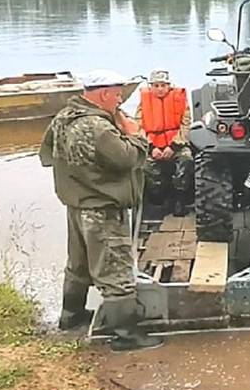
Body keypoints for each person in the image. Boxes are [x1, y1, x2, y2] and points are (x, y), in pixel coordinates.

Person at [39, 68, 164, 352]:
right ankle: (125, 335)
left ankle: (71, 317)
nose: (120, 100)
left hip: (76, 206)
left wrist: (81, 174)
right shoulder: (99, 128)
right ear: (104, 94)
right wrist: (134, 135)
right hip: (103, 210)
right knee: (116, 272)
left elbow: (46, 156)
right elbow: (129, 159)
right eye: (117, 95)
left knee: (78, 266)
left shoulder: (63, 118)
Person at [134, 69, 194, 216]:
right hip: (152, 145)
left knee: (186, 159)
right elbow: (138, 127)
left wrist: (173, 146)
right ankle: (157, 197)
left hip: (176, 144)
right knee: (144, 165)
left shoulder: (180, 101)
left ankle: (180, 197)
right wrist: (151, 147)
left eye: (163, 85)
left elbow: (186, 125)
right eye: (156, 85)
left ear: (169, 86)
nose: (160, 89)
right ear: (151, 87)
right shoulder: (143, 103)